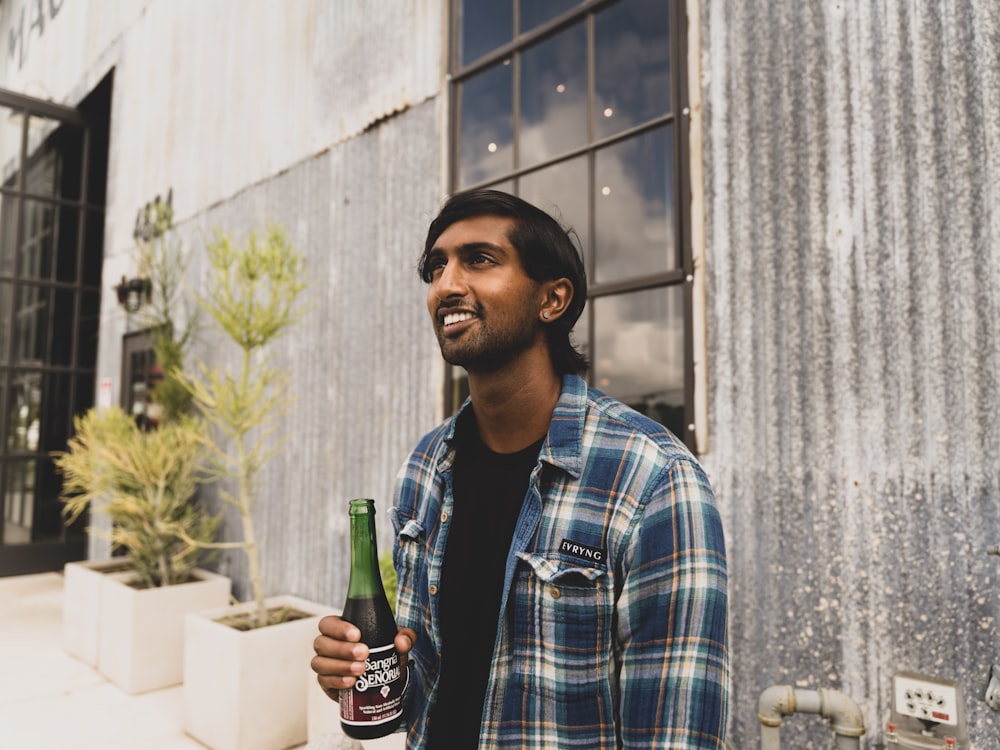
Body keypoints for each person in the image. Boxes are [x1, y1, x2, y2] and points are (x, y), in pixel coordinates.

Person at [312, 189, 729, 748]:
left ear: (552, 299)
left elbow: (675, 735)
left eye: (478, 260)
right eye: (437, 267)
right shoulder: (424, 469)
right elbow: (432, 690)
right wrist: (363, 675)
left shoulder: (654, 480)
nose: (446, 285)